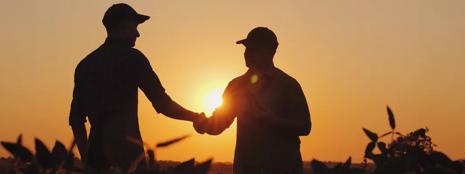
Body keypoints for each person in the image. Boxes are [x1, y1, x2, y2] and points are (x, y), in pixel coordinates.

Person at [69, 3, 205, 172]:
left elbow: (76, 121)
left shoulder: (84, 66)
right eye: (134, 27)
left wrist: (87, 162)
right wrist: (196, 118)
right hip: (129, 158)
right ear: (122, 28)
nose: (138, 34)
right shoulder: (134, 59)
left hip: (96, 159)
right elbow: (163, 104)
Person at [194, 27, 311, 174]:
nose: (246, 53)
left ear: (269, 52)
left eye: (252, 49)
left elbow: (305, 127)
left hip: (284, 168)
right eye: (246, 48)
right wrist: (201, 123)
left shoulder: (288, 85)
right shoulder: (235, 86)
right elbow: (218, 125)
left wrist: (273, 121)